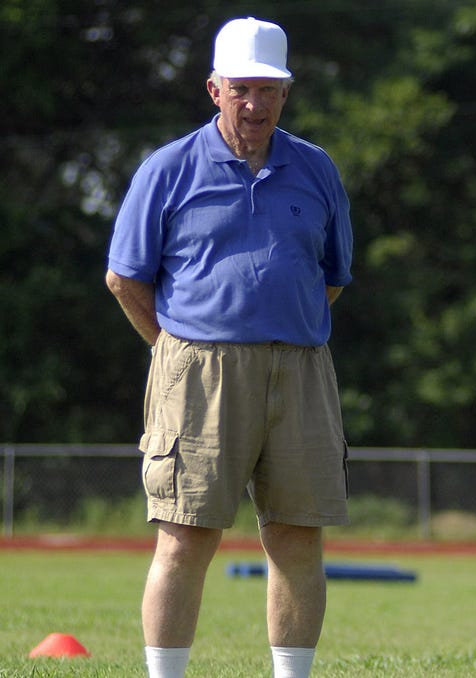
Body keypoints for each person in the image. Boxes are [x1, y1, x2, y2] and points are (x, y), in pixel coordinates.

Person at [105, 17, 353, 678]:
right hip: (198, 368)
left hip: (300, 367)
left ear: (286, 94)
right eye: (242, 87)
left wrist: (277, 325)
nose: (255, 103)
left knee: (298, 537)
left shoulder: (317, 169)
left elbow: (332, 276)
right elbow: (124, 277)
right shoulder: (168, 168)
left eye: (269, 90)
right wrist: (173, 349)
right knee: (186, 536)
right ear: (214, 89)